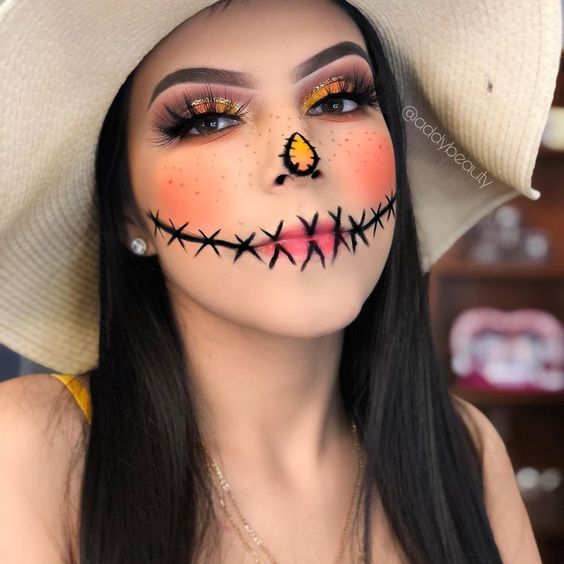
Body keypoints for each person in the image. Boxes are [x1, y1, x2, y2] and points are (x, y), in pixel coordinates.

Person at [0, 0, 560, 562]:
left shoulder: (465, 452)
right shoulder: (29, 448)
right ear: (128, 212)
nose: (299, 156)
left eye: (339, 99)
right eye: (208, 119)